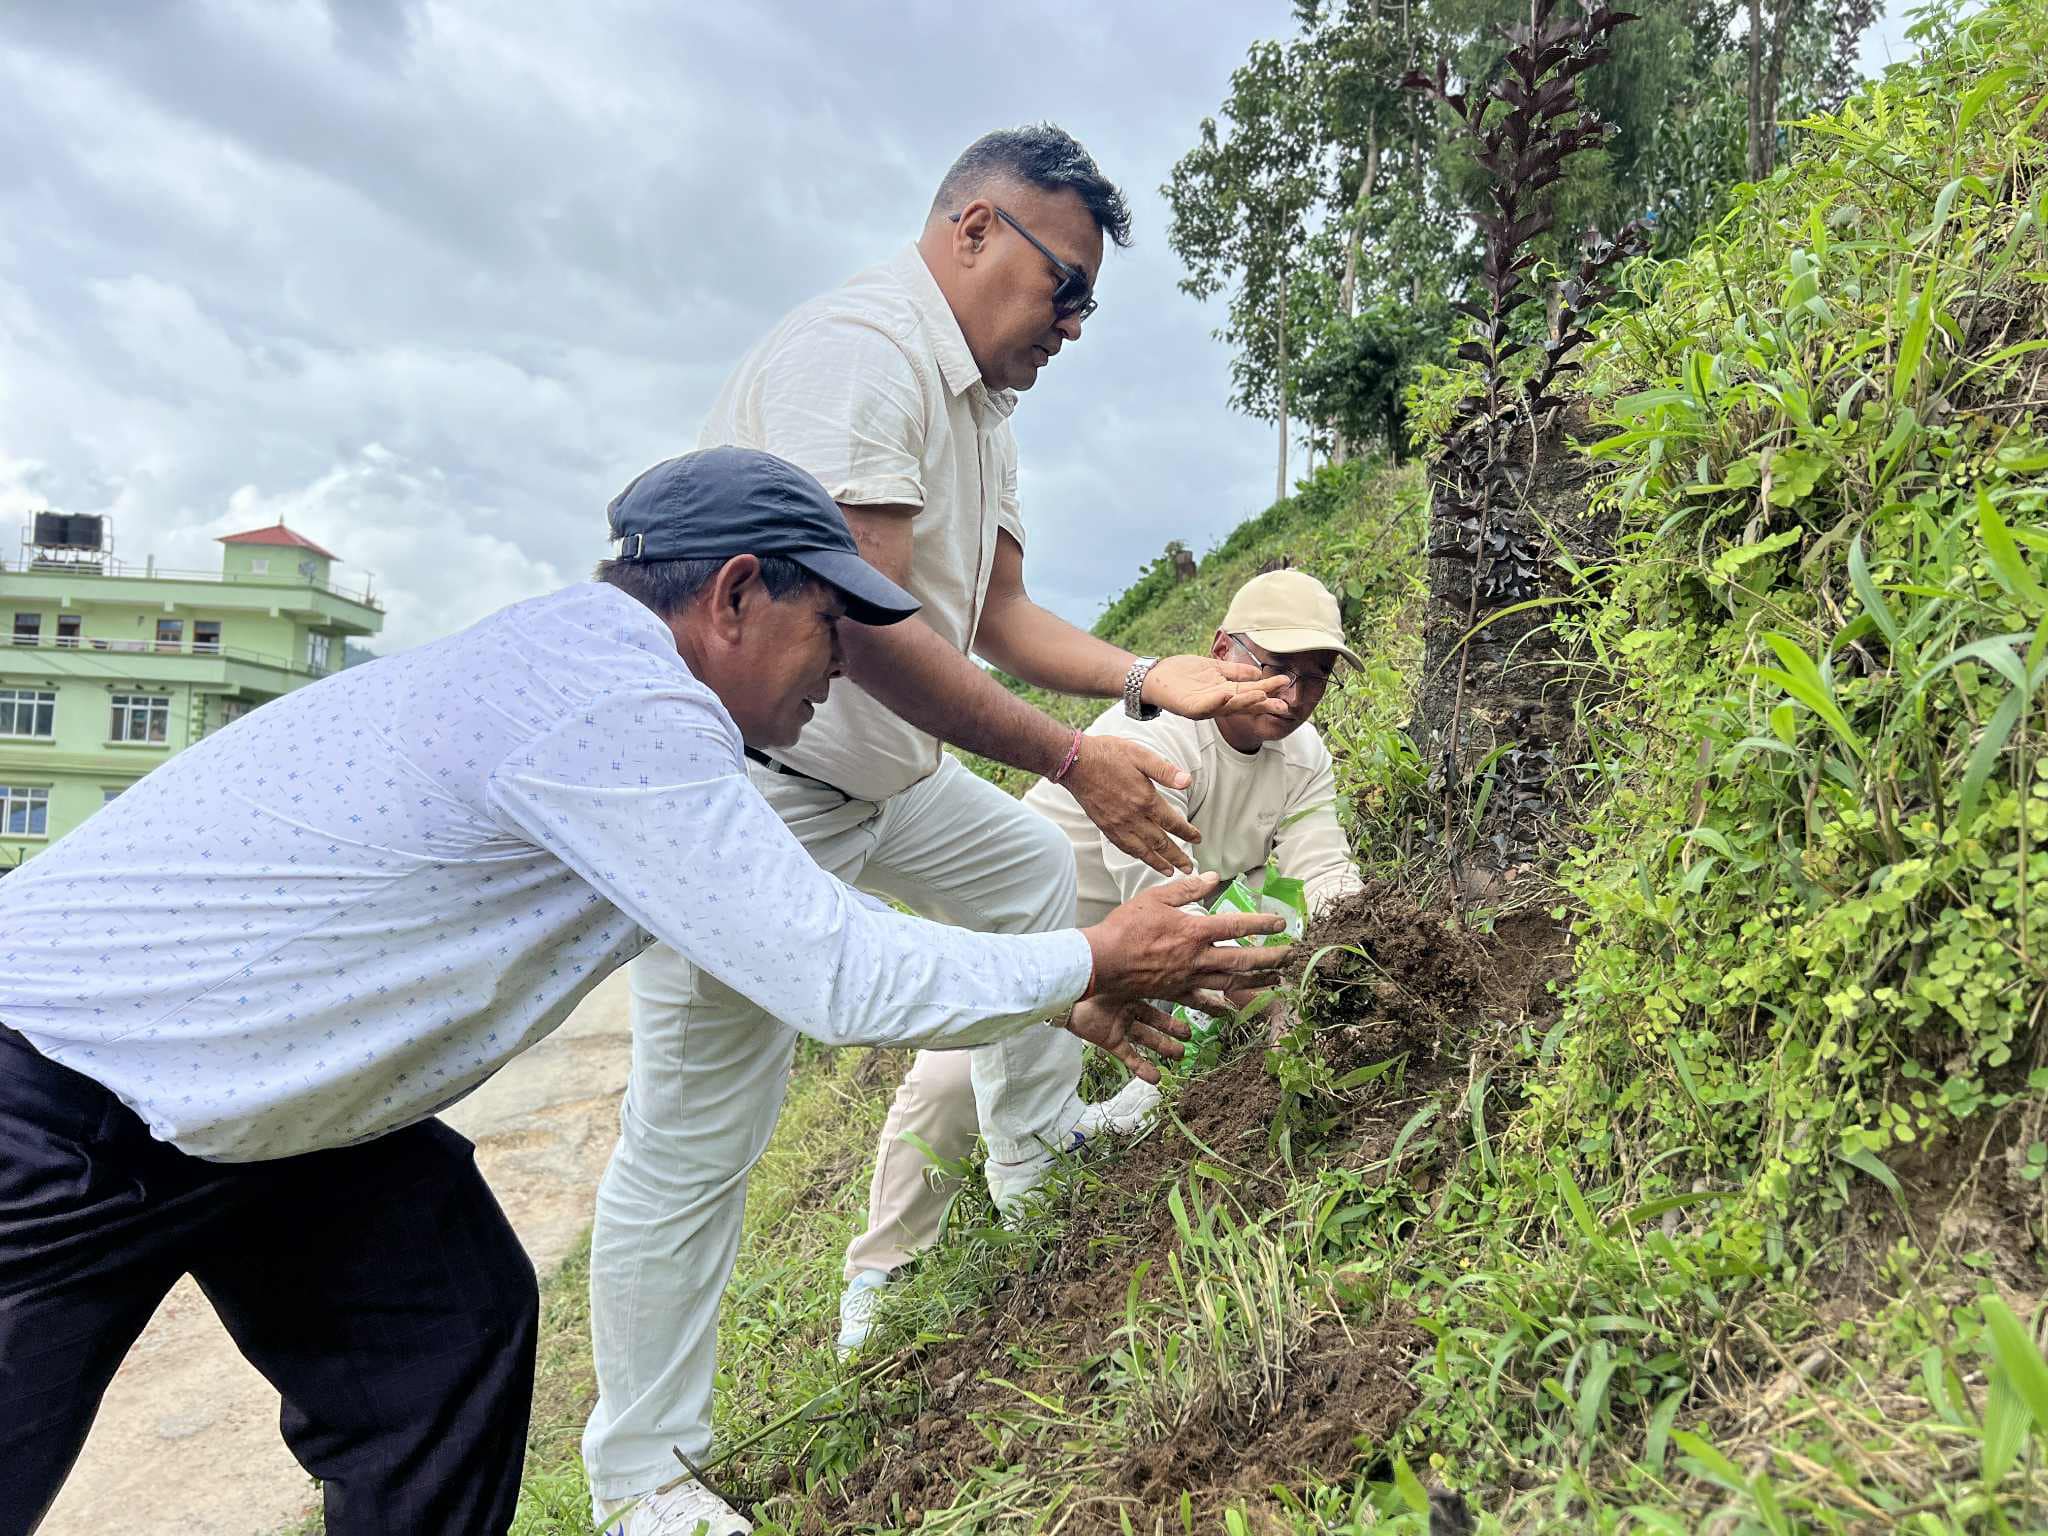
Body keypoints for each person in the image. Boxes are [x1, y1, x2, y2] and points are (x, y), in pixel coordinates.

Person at [0, 447, 1289, 1536]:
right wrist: (1090, 957)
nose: (837, 671)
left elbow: (803, 926)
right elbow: (831, 972)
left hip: (285, 1101)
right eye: (827, 629)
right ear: (735, 595)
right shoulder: (614, 702)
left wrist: (1058, 993)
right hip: (62, 1087)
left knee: (447, 1334)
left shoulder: (605, 686)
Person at [582, 126, 1297, 1536]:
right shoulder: (866, 359)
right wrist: (1071, 754)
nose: (1075, 324)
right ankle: (640, 1477)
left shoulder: (979, 407)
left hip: (886, 777)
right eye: (1065, 287)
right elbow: (866, 627)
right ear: (975, 230)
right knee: (700, 1125)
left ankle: (1040, 1157)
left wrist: (1155, 681)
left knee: (1031, 867)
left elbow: (995, 617)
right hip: (765, 780)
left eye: (1092, 301)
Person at [837, 569, 1369, 1352]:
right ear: (1222, 650)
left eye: (1315, 678)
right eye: (1276, 667)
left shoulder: (1304, 757)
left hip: (1156, 924)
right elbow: (1159, 901)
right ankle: (880, 1273)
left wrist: (1356, 941)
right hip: (1041, 922)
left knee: (1209, 1009)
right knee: (952, 1082)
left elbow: (1323, 864)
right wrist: (1270, 993)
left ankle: (1093, 1129)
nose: (1292, 695)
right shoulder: (1157, 735)